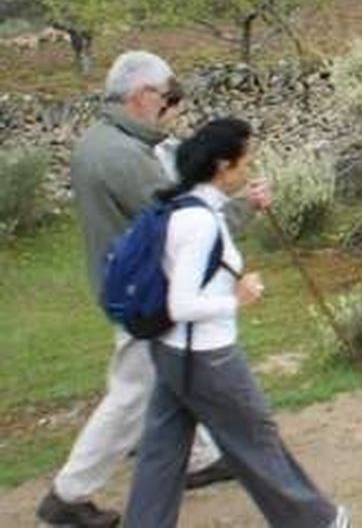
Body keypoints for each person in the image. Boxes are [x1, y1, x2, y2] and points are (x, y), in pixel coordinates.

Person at [38, 52, 257, 528]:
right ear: (142, 96)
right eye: (167, 97)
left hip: (127, 286)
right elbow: (180, 216)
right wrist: (242, 207)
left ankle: (197, 460)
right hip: (143, 296)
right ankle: (68, 495)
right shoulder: (121, 155)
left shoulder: (106, 141)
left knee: (166, 376)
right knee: (132, 394)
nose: (172, 106)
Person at [123, 119, 345, 528]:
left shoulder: (182, 204)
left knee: (161, 453)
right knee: (255, 439)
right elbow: (183, 303)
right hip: (207, 357)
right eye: (245, 161)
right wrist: (235, 298)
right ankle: (317, 522)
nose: (249, 169)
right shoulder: (200, 222)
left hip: (171, 352)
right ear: (224, 166)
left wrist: (247, 203)